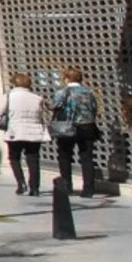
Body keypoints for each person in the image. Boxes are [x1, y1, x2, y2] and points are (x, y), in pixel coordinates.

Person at [50, 66, 104, 196]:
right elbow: (94, 108)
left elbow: (55, 106)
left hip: (67, 126)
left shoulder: (61, 92)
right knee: (87, 158)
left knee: (64, 156)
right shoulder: (89, 92)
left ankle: (67, 187)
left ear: (66, 78)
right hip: (87, 126)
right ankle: (89, 189)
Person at [0, 72, 50, 197]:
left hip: (15, 132)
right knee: (33, 159)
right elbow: (41, 113)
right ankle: (35, 187)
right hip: (34, 132)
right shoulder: (37, 98)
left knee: (14, 158)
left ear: (14, 83)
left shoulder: (9, 97)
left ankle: (21, 183)